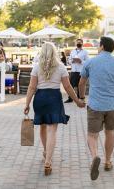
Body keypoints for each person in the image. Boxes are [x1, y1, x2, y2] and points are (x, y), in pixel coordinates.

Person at [23, 42, 85, 176]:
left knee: (43, 127)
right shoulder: (61, 67)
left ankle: (46, 152)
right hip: (54, 98)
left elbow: (32, 88)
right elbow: (68, 87)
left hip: (40, 98)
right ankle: (48, 161)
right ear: (54, 52)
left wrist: (27, 104)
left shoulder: (36, 67)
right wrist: (77, 101)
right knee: (52, 130)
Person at [78, 37, 114, 181]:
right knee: (110, 132)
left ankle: (95, 157)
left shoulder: (90, 62)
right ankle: (107, 161)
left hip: (95, 105)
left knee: (92, 135)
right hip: (112, 105)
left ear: (101, 46)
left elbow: (81, 83)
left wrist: (82, 98)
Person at [65, 39, 89, 103]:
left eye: (80, 42)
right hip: (73, 70)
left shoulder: (85, 52)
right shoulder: (72, 51)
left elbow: (87, 62)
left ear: (82, 43)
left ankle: (79, 98)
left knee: (80, 85)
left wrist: (81, 61)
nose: (78, 43)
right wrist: (71, 61)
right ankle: (70, 98)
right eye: (77, 42)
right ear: (76, 43)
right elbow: (69, 60)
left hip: (80, 71)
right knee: (71, 84)